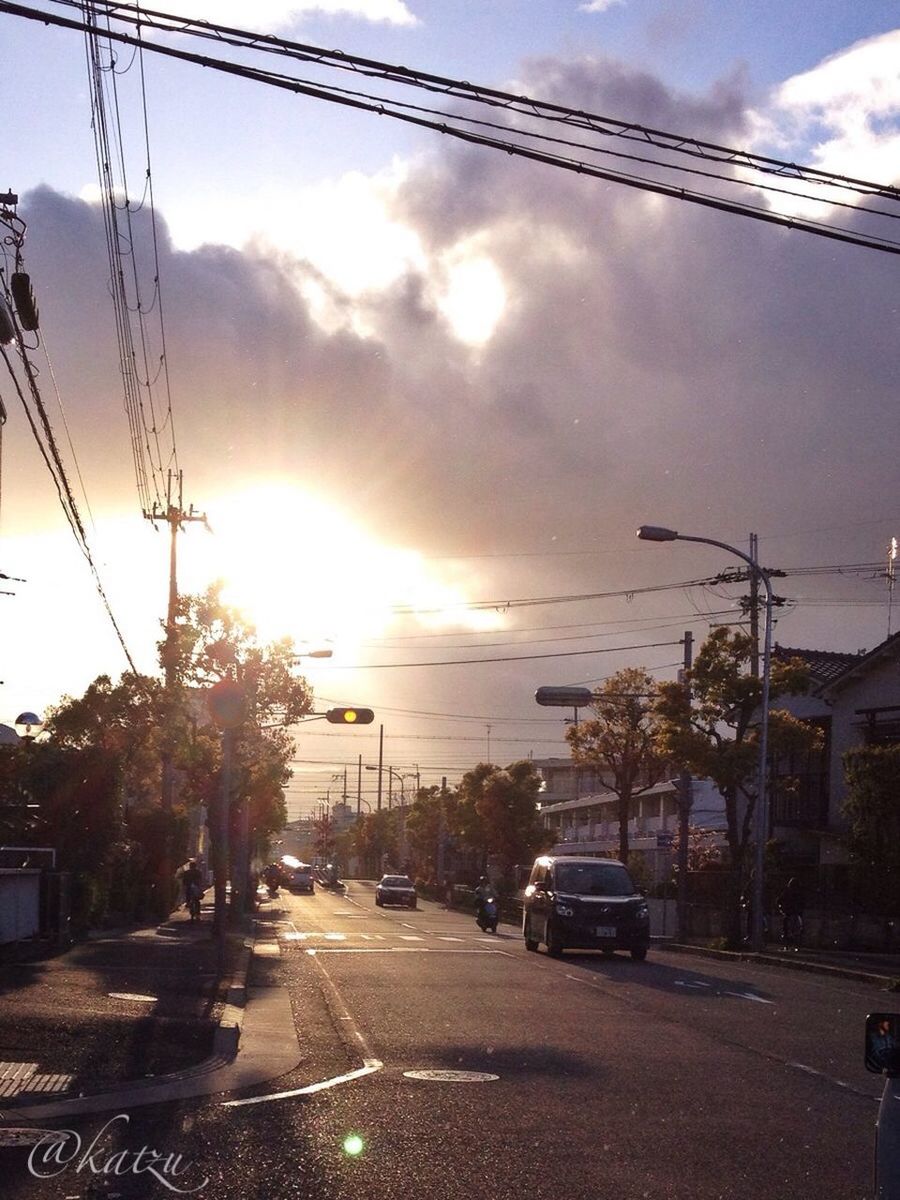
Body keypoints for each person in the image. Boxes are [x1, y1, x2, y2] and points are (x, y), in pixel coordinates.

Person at [776, 877, 805, 948]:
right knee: (798, 928)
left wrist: (781, 907)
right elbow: (803, 902)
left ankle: (787, 941)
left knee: (786, 927)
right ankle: (796, 943)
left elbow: (779, 900)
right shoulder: (799, 892)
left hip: (789, 912)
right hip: (796, 913)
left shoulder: (787, 891)